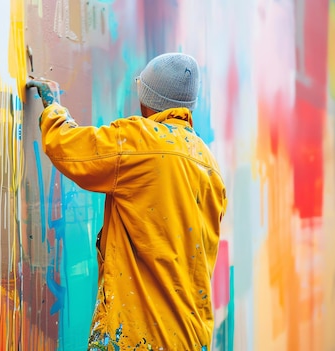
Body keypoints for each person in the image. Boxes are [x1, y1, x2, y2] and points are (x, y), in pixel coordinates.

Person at [27, 53, 227, 351]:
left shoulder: (140, 141)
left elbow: (69, 148)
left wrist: (53, 109)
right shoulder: (208, 163)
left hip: (139, 335)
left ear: (149, 98)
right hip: (191, 336)